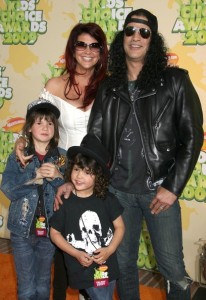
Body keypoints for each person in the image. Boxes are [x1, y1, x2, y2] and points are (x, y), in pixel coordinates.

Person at [85, 8, 204, 300]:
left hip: (158, 193)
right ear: (121, 38)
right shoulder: (108, 87)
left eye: (144, 32)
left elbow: (193, 137)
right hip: (118, 192)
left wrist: (172, 187)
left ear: (153, 40)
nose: (135, 37)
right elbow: (96, 139)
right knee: (124, 267)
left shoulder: (174, 81)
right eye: (130, 30)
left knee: (173, 270)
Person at [15, 22, 108, 300]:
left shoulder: (108, 87)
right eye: (81, 44)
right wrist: (21, 142)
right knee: (59, 246)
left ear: (102, 52)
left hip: (97, 176)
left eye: (95, 45)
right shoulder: (55, 85)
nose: (88, 51)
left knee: (93, 243)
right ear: (72, 48)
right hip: (63, 175)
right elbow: (36, 123)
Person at [0, 99, 66, 300]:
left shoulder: (62, 157)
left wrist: (58, 177)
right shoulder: (18, 156)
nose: (45, 127)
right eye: (39, 122)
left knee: (44, 283)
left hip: (50, 231)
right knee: (27, 287)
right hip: (21, 231)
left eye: (50, 123)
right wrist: (33, 176)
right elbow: (8, 189)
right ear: (29, 127)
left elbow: (69, 192)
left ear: (55, 128)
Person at [49, 134, 125, 300]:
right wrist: (75, 253)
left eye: (87, 172)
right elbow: (54, 233)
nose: (79, 176)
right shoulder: (66, 201)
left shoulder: (107, 199)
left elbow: (120, 227)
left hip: (106, 268)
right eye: (76, 169)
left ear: (98, 176)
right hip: (80, 268)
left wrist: (110, 249)